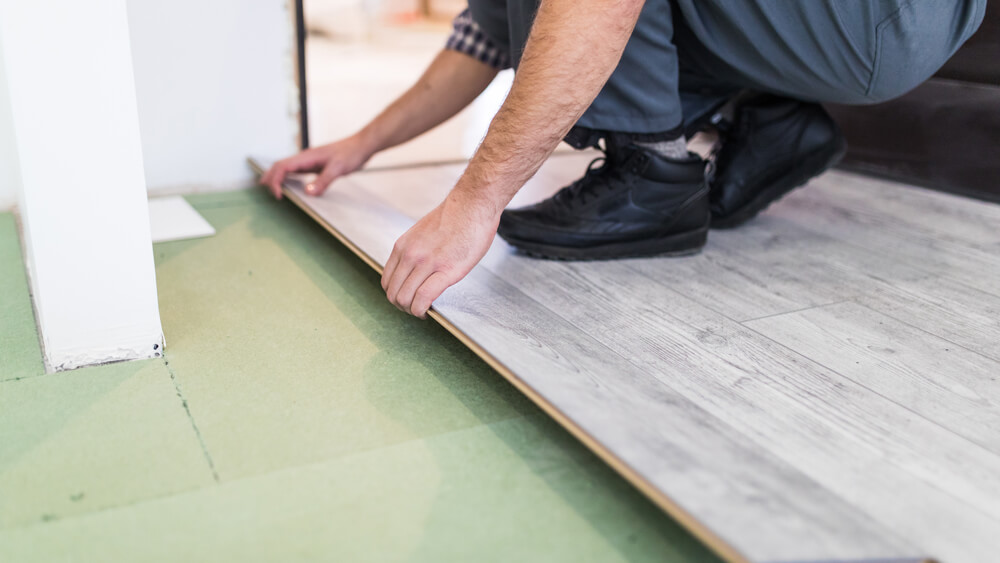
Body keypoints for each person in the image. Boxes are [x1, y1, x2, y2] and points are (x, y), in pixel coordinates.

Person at [263, 0, 987, 318]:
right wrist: (360, 145)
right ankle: (766, 121)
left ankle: (655, 175)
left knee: (571, 19)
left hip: (879, 17)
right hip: (867, 23)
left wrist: (473, 202)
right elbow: (482, 39)